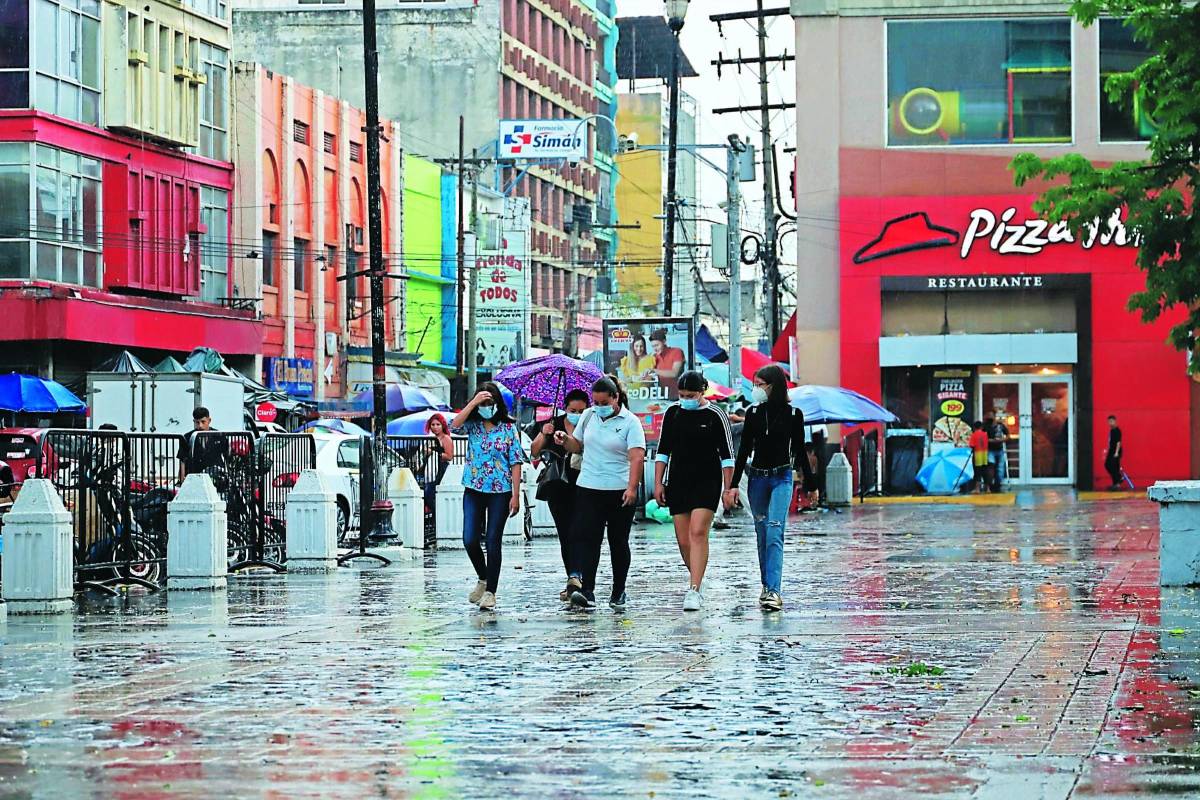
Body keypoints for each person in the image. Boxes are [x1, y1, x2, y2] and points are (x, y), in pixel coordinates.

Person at [729, 366, 816, 612]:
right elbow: (744, 450)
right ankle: (766, 586)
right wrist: (733, 485)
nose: (756, 389)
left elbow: (799, 450)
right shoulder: (753, 413)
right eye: (754, 384)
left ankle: (774, 591)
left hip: (782, 477)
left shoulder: (793, 414)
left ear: (773, 386)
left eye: (760, 384)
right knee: (762, 533)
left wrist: (811, 484)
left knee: (775, 530)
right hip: (757, 478)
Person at [556, 376, 646, 611]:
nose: (599, 407)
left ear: (616, 398)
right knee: (589, 539)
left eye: (604, 402)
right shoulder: (588, 416)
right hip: (589, 487)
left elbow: (637, 457)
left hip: (619, 489)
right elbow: (577, 446)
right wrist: (565, 440)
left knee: (618, 541)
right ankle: (588, 590)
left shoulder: (630, 422)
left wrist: (632, 487)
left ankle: (618, 590)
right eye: (595, 402)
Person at [653, 371, 736, 611]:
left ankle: (694, 590)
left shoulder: (716, 415)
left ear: (702, 392)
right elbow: (663, 451)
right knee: (683, 540)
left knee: (698, 532)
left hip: (707, 481)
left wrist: (728, 488)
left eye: (691, 395)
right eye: (682, 395)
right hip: (678, 481)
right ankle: (697, 576)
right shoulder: (672, 413)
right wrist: (658, 483)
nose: (686, 400)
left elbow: (727, 456)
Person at [451, 383, 527, 611]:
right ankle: (483, 577)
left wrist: (516, 494)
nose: (486, 407)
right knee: (469, 539)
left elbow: (515, 461)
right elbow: (453, 426)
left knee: (493, 540)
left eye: (489, 403)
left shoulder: (508, 428)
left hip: (500, 491)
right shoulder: (472, 426)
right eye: (482, 403)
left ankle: (491, 591)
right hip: (474, 488)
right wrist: (473, 403)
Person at [529, 389, 591, 601]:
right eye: (573, 410)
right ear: (565, 408)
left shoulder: (591, 424)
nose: (577, 414)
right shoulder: (553, 423)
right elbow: (534, 451)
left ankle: (579, 577)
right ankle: (573, 577)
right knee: (565, 533)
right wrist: (544, 433)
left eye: (581, 410)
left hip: (584, 483)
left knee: (580, 531)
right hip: (558, 484)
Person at [177, 406, 228, 483]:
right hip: (194, 477)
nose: (200, 425)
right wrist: (182, 482)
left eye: (203, 422)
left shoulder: (219, 435)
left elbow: (227, 456)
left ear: (209, 420)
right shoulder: (187, 437)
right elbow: (182, 460)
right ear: (194, 421)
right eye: (197, 422)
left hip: (216, 477)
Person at [423, 413, 455, 509]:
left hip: (441, 469)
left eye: (438, 424)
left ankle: (437, 513)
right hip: (431, 468)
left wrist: (434, 453)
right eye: (433, 425)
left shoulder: (446, 438)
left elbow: (449, 456)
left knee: (431, 493)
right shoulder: (430, 439)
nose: (435, 427)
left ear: (442, 425)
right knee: (428, 494)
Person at [986, 415, 1009, 492]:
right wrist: (990, 440)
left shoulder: (1001, 425)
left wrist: (1002, 440)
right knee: (991, 467)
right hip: (990, 449)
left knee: (1000, 469)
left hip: (999, 449)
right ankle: (990, 485)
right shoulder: (986, 426)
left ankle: (998, 485)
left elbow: (1008, 435)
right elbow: (983, 437)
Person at [968, 420, 990, 493]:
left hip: (977, 455)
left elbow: (971, 445)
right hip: (985, 455)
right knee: (985, 472)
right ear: (981, 427)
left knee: (977, 472)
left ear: (974, 427)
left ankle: (977, 489)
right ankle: (988, 488)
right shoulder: (985, 434)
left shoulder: (974, 435)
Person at [1105, 414, 1124, 490]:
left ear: (1115, 421)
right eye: (1109, 421)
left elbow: (1118, 442)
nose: (1110, 423)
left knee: (1114, 467)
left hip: (1115, 452)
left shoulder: (1117, 430)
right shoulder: (1112, 430)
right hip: (1111, 450)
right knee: (1108, 465)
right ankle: (1117, 480)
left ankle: (1117, 483)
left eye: (1111, 421)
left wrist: (1116, 452)